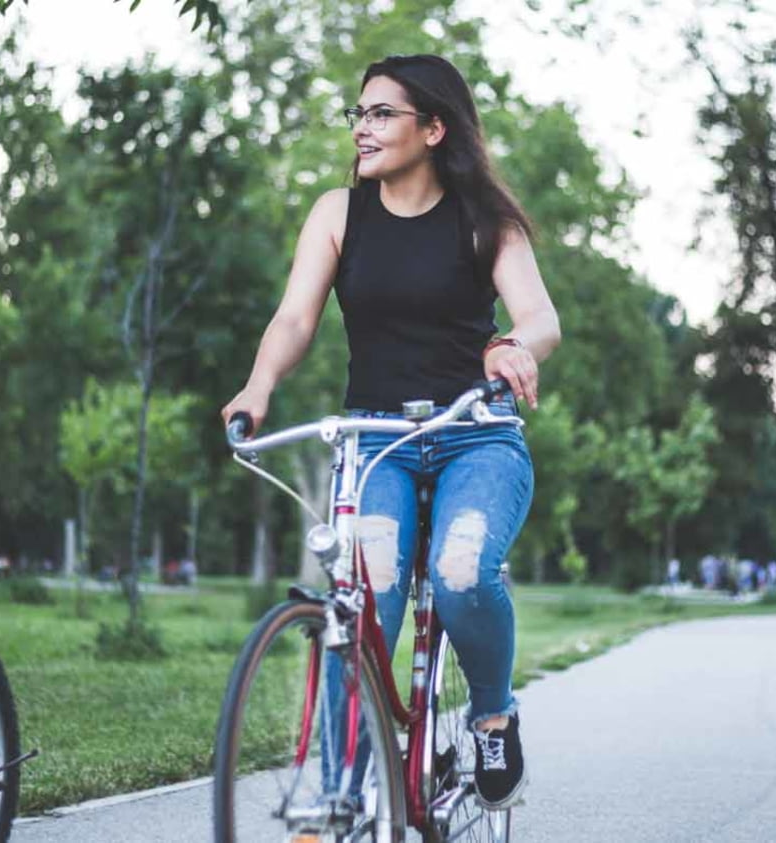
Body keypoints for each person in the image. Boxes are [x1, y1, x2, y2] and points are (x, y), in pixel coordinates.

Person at [221, 54, 559, 809]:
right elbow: (296, 317)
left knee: (463, 571)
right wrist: (259, 383)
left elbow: (541, 319)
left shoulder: (487, 222)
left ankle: (494, 713)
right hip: (376, 443)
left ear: (434, 128)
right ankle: (343, 798)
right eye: (360, 113)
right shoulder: (338, 214)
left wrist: (512, 347)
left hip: (476, 433)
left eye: (382, 114)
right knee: (362, 601)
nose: (363, 128)